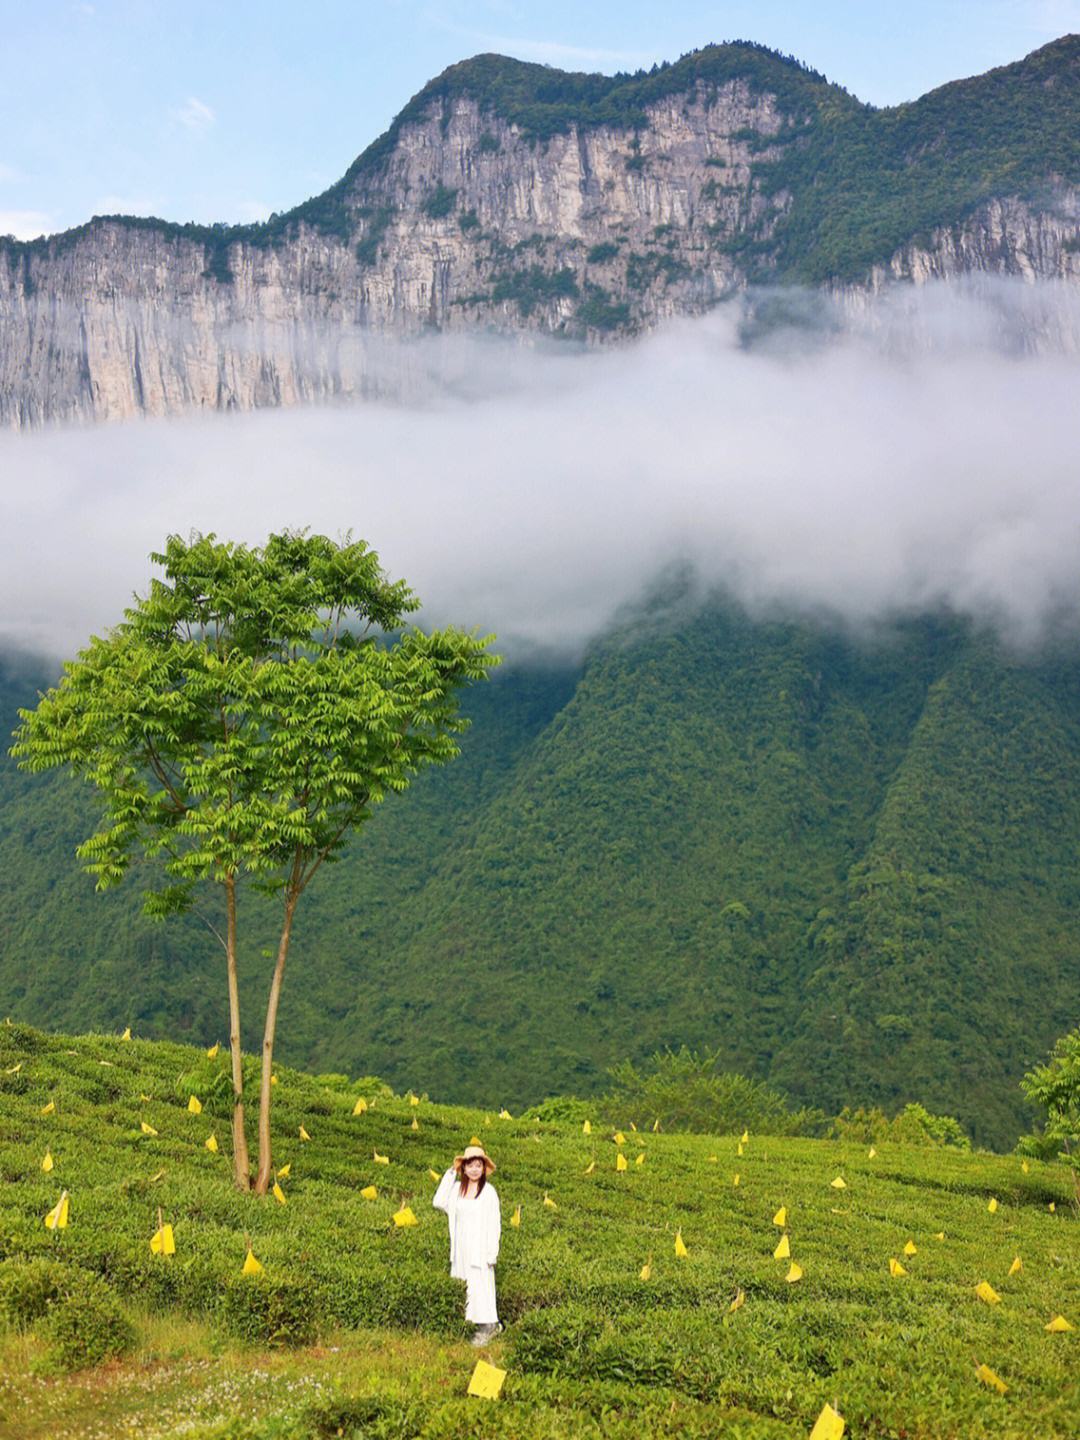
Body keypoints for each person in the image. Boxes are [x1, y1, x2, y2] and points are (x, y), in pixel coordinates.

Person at [432, 1142, 502, 1345]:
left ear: (483, 1168)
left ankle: (489, 1326)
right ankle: (468, 1326)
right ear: (463, 1168)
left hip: (480, 1248)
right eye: (469, 1165)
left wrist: (492, 1252)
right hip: (461, 1247)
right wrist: (450, 1174)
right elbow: (438, 1201)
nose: (474, 1169)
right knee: (464, 1285)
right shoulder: (455, 1190)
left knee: (481, 1285)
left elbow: (494, 1223)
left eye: (478, 1165)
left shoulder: (489, 1192)